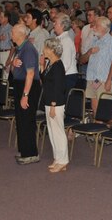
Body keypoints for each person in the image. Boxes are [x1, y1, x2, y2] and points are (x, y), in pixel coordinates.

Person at [10, 24, 42, 164]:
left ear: (21, 34)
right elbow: (15, 70)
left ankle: (31, 153)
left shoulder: (28, 49)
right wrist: (13, 62)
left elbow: (30, 73)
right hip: (20, 85)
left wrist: (25, 95)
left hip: (27, 87)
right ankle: (24, 151)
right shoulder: (20, 48)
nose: (11, 33)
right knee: (21, 120)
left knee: (27, 120)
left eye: (13, 31)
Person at [80, 16, 112, 113]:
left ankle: (103, 127)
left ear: (104, 28)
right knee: (94, 108)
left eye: (96, 26)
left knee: (103, 110)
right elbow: (82, 60)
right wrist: (89, 52)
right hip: (92, 78)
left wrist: (109, 81)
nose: (93, 27)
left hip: (104, 80)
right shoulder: (94, 40)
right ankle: (98, 126)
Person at [41, 37, 68, 173]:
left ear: (52, 50)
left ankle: (63, 160)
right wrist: (41, 67)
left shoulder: (58, 66)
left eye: (45, 48)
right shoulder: (50, 64)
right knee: (52, 132)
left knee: (58, 132)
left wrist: (52, 105)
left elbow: (58, 87)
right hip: (49, 101)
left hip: (55, 103)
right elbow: (46, 82)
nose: (43, 50)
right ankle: (57, 158)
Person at [52, 14, 78, 90]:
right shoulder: (59, 39)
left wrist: (56, 76)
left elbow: (66, 63)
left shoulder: (66, 41)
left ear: (62, 26)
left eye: (55, 23)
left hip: (66, 75)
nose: (53, 25)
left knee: (61, 100)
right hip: (61, 75)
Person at [0, 11, 13, 80]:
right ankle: (1, 89)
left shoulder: (11, 29)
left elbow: (13, 45)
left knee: (6, 74)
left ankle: (5, 89)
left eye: (1, 17)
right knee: (0, 74)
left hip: (7, 53)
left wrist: (9, 58)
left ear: (6, 18)